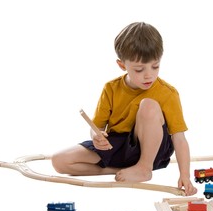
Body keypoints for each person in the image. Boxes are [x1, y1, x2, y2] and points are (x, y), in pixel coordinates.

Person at [51, 22, 197, 196]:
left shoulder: (168, 93)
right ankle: (116, 170)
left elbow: (179, 138)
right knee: (59, 161)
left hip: (150, 150)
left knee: (148, 105)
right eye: (139, 69)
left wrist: (185, 176)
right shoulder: (111, 88)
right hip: (118, 145)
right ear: (122, 65)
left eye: (155, 66)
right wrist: (96, 136)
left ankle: (144, 167)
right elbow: (96, 127)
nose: (149, 75)